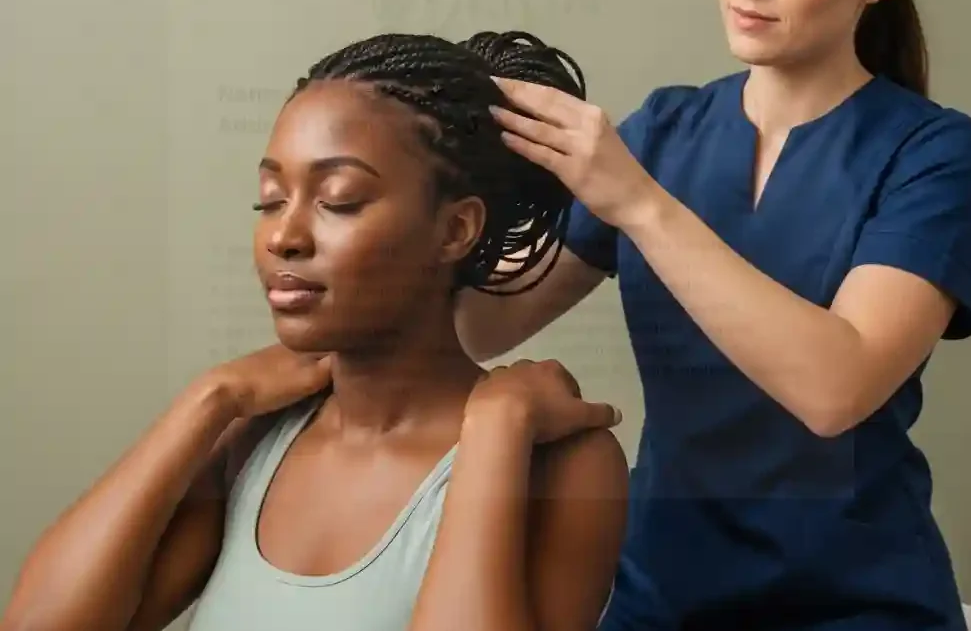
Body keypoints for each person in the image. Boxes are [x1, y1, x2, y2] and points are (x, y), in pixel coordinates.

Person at [457, 0, 971, 630]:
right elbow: (482, 329)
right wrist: (424, 181)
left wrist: (638, 202)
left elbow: (834, 387)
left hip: (857, 604)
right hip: (658, 600)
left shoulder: (935, 153)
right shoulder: (663, 132)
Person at [3, 31, 630, 631]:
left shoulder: (563, 465)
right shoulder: (255, 435)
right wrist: (208, 401)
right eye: (270, 199)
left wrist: (494, 434)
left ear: (454, 230)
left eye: (339, 199)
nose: (283, 236)